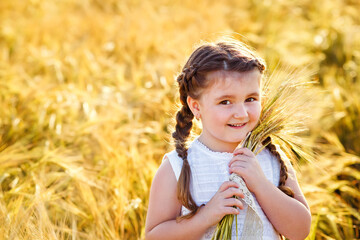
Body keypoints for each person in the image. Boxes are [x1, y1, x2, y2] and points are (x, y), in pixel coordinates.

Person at [145, 39, 311, 240]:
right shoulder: (178, 167)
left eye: (250, 99)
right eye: (225, 102)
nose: (241, 113)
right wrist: (204, 217)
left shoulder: (272, 159)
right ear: (196, 107)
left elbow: (300, 230)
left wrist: (260, 184)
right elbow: (154, 236)